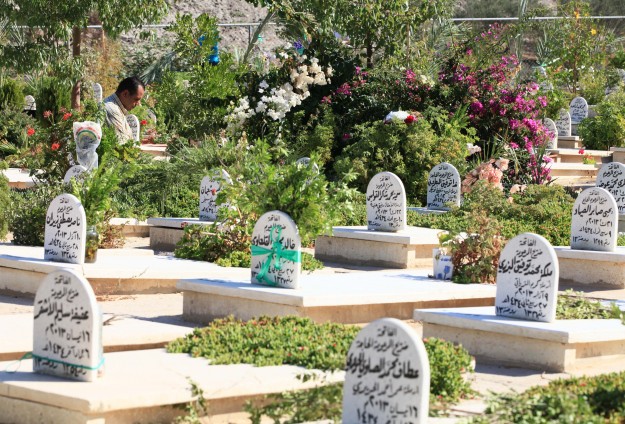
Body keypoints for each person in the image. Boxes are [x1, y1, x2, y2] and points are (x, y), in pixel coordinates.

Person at [103, 76, 145, 143]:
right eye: (136, 99)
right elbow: (121, 144)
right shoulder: (112, 109)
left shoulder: (118, 108)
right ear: (125, 94)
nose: (139, 104)